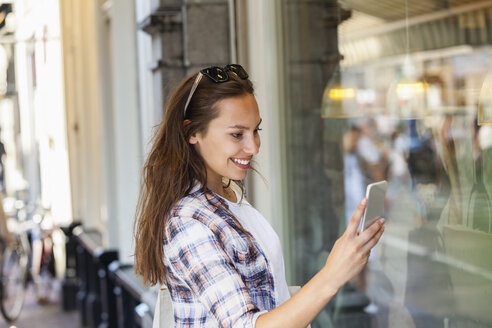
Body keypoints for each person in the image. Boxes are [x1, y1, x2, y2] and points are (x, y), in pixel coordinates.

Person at [133, 64, 385, 327]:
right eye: (237, 134)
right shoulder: (188, 223)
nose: (252, 146)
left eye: (256, 131)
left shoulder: (229, 196)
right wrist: (333, 274)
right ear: (192, 132)